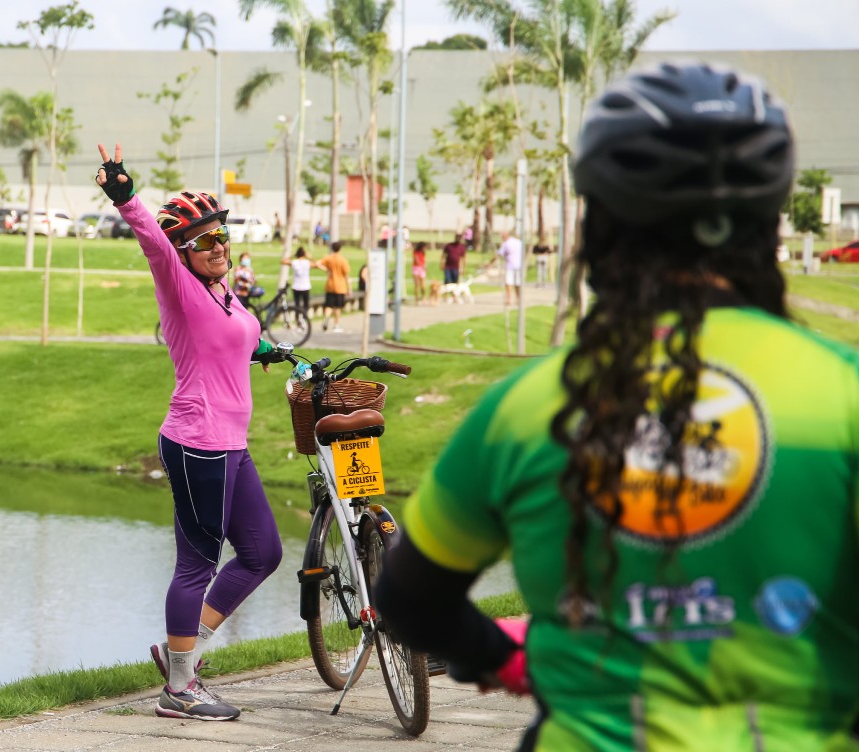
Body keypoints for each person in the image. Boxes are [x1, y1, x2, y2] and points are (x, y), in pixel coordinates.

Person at [373, 61, 858, 751]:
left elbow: (408, 599)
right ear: (764, 223)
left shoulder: (527, 407)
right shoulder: (843, 393)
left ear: (602, 226)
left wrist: (510, 658)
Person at [95, 143, 283, 723]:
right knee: (196, 565)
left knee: (262, 553)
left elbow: (240, 336)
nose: (217, 247)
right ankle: (178, 690)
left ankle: (182, 652)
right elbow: (154, 239)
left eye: (221, 237)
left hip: (231, 444)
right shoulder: (178, 284)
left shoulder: (224, 293)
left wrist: (272, 351)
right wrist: (125, 197)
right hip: (197, 440)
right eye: (202, 242)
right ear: (184, 252)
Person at [316, 240, 351, 333]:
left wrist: (326, 270)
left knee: (329, 305)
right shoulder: (343, 260)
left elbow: (318, 263)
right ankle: (336, 324)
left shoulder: (329, 258)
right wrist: (349, 289)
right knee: (337, 307)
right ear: (340, 249)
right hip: (340, 286)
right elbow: (347, 276)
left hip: (330, 285)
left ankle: (326, 318)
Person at [493, 229, 524, 305]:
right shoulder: (518, 242)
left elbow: (499, 254)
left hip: (510, 266)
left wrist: (490, 263)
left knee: (509, 283)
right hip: (518, 266)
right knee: (517, 283)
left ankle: (509, 299)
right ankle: (517, 299)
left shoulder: (506, 244)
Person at [282, 246, 313, 312]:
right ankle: (305, 318)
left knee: (297, 305)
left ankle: (297, 318)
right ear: (304, 254)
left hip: (296, 286)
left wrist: (292, 255)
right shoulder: (307, 262)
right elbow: (316, 264)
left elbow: (283, 261)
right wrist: (310, 257)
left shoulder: (294, 262)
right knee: (306, 305)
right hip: (305, 286)